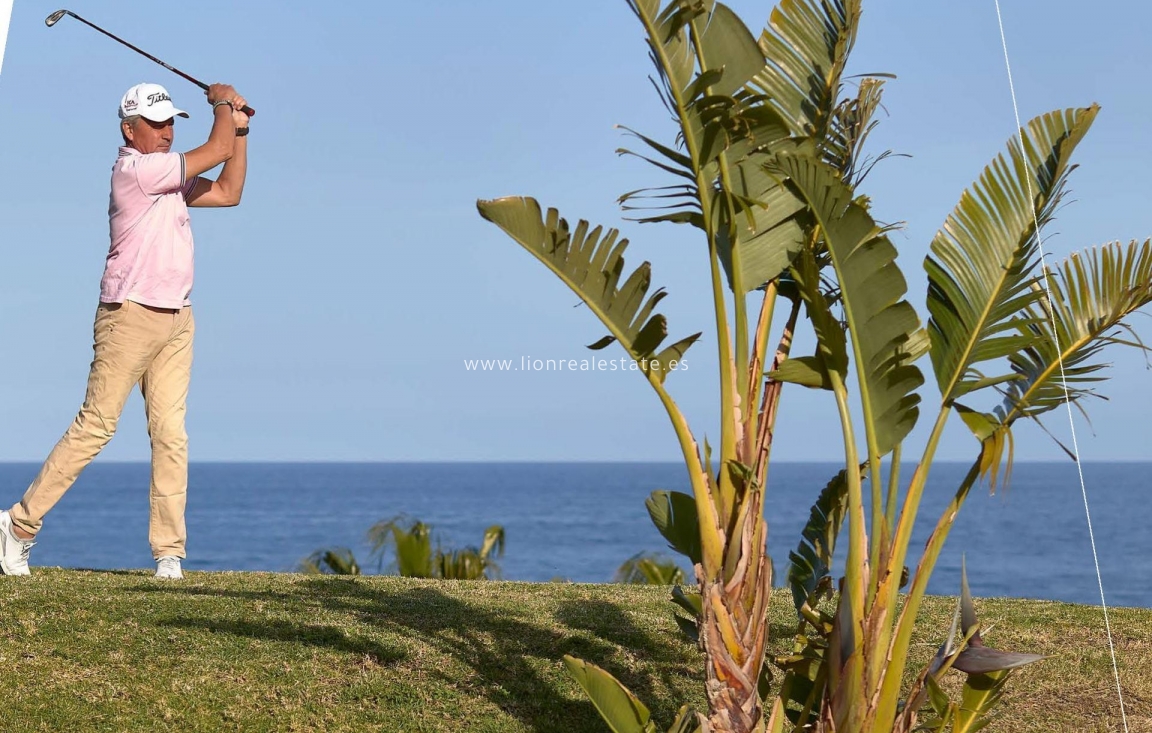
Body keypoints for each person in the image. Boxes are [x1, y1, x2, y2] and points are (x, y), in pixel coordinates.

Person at [0, 81, 250, 579]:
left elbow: (228, 192)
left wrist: (239, 129)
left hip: (177, 317)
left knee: (171, 435)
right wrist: (222, 102)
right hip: (129, 314)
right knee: (97, 425)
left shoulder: (170, 176)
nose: (165, 132)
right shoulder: (137, 171)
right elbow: (214, 149)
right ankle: (17, 526)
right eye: (155, 124)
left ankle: (169, 554)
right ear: (128, 129)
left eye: (169, 122)